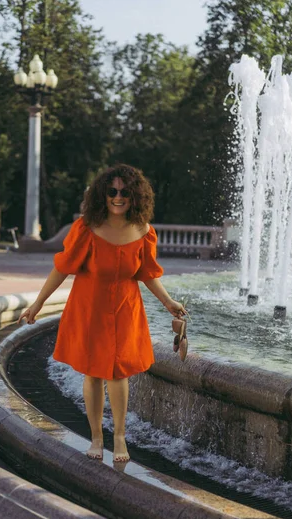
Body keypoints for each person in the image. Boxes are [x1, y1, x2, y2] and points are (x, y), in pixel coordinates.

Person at [18, 164, 186, 463]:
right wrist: (38, 305)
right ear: (102, 195)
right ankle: (96, 437)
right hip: (90, 306)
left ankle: (119, 437)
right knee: (94, 373)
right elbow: (62, 268)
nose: (118, 197)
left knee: (119, 373)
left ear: (135, 196)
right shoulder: (86, 228)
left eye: (124, 192)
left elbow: (147, 274)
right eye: (112, 192)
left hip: (126, 307)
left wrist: (168, 302)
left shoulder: (145, 232)